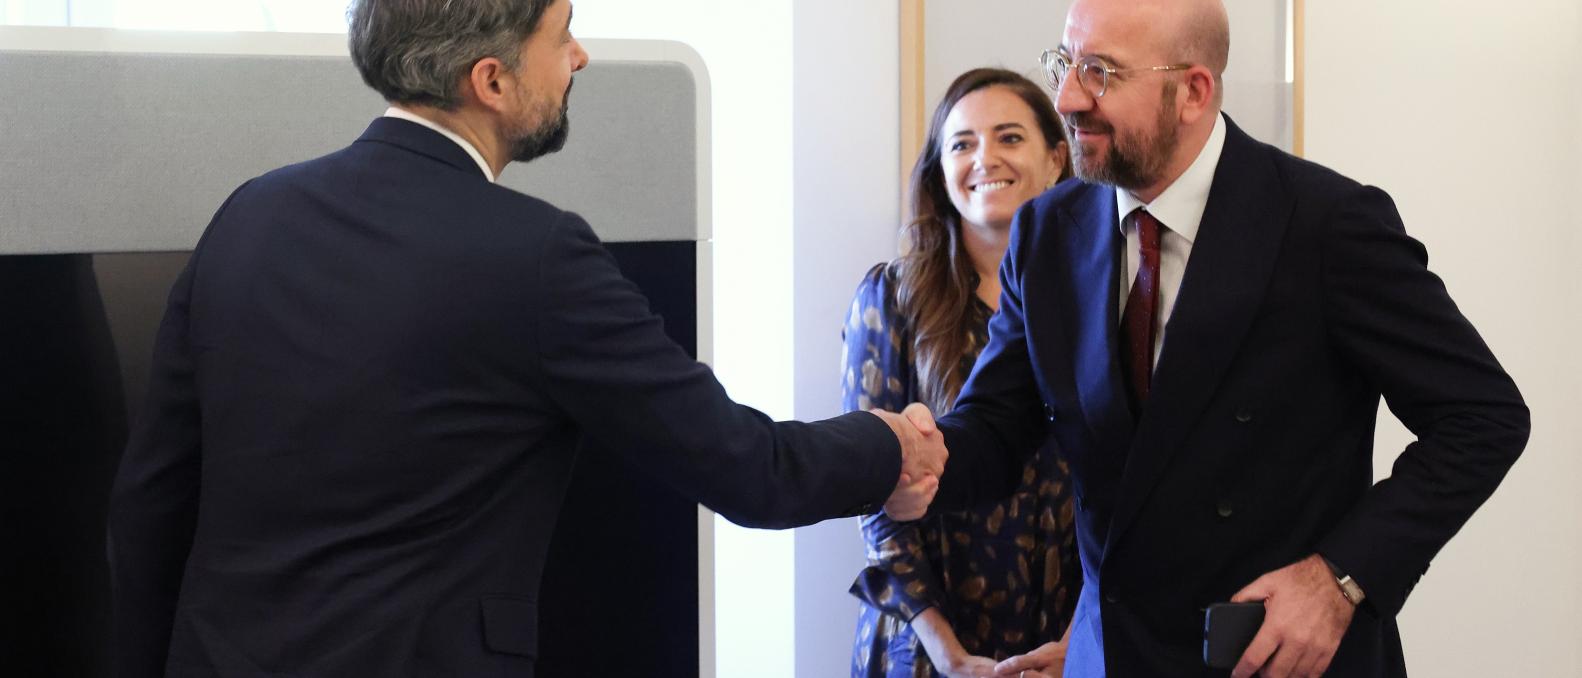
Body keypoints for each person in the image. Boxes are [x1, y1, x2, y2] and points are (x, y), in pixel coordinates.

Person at [106, 1, 945, 676]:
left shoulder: (248, 214)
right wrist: (887, 446)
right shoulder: (537, 256)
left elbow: (151, 501)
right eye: (564, 31)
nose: (579, 56)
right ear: (493, 81)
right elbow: (747, 467)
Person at [933, 1, 1530, 677]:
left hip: (1277, 659)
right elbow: (993, 430)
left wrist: (1342, 578)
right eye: (1066, 63)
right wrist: (883, 458)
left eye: (1100, 72)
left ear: (1193, 91)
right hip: (1114, 657)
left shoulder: (1326, 223)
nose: (1067, 97)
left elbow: (1483, 417)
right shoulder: (1046, 233)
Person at [843, 68, 1078, 678]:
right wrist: (950, 656)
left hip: (1069, 641)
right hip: (929, 646)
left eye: (1009, 138)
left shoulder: (1101, 293)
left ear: (1056, 159)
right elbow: (872, 491)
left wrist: (1081, 640)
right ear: (939, 171)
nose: (985, 159)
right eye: (963, 144)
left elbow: (1125, 484)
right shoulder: (892, 299)